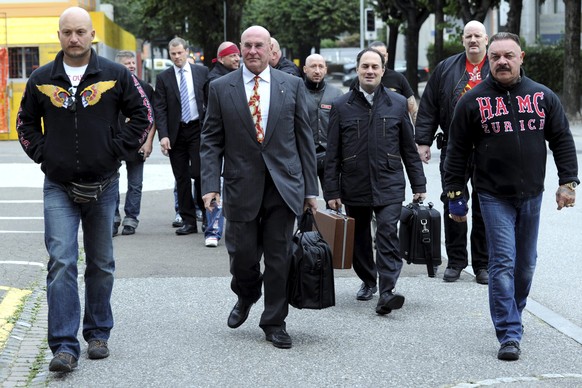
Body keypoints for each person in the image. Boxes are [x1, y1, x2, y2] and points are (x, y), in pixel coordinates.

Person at [16, 6, 153, 373]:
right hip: (58, 186)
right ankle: (64, 346)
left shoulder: (116, 74)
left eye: (80, 32)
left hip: (105, 184)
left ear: (92, 34)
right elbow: (25, 123)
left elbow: (144, 114)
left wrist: (116, 152)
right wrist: (47, 157)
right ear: (58, 35)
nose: (74, 38)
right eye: (67, 32)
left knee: (101, 264)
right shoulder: (41, 77)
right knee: (61, 261)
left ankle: (97, 333)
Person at [444, 32, 578, 361]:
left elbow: (561, 139)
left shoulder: (543, 96)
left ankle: (513, 315)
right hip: (492, 196)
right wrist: (455, 195)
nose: (502, 61)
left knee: (526, 266)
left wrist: (568, 183)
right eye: (495, 57)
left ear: (521, 58)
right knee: (502, 263)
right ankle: (508, 332)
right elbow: (456, 151)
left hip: (532, 194)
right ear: (488, 61)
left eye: (509, 56)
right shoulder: (472, 101)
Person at [201, 25, 318, 349]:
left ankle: (274, 322)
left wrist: (311, 191)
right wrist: (210, 184)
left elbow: (304, 140)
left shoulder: (292, 85)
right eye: (247, 46)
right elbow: (211, 139)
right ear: (240, 49)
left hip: (284, 186)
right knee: (242, 257)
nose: (253, 51)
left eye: (259, 46)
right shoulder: (221, 88)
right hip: (241, 185)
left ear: (270, 50)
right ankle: (247, 292)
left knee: (279, 257)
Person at [324, 48, 427, 315]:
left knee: (387, 233)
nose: (370, 71)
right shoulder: (341, 106)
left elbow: (408, 147)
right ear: (357, 69)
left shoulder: (397, 103)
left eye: (375, 67)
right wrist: (331, 190)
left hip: (389, 181)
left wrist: (419, 185)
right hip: (354, 182)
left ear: (383, 70)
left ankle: (387, 290)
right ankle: (369, 280)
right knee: (359, 238)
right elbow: (332, 153)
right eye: (365, 66)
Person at [415, 20, 490, 284]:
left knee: (485, 207)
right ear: (462, 39)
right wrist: (422, 140)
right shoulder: (446, 68)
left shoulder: (499, 65)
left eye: (477, 36)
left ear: (486, 39)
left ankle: (483, 264)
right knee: (454, 202)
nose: (473, 40)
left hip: (489, 150)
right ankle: (456, 262)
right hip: (453, 147)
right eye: (468, 36)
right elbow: (429, 106)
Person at [153, 37, 208, 235]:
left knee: (200, 174)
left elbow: (209, 101)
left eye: (179, 53)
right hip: (176, 133)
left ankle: (207, 216)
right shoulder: (164, 78)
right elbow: (159, 108)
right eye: (173, 54)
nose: (177, 57)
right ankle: (189, 221)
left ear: (187, 52)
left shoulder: (202, 72)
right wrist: (163, 136)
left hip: (197, 130)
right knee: (182, 178)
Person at [113, 50, 156, 236]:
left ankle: (131, 219)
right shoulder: (110, 87)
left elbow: (152, 118)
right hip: (114, 143)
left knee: (135, 183)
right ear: (118, 66)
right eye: (127, 64)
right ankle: (113, 218)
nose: (131, 66)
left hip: (138, 142)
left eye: (132, 63)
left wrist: (148, 142)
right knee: (111, 182)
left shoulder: (145, 87)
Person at [201, 41, 240, 247]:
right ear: (221, 58)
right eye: (232, 55)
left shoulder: (235, 77)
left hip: (233, 140)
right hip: (221, 139)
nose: (237, 59)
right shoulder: (215, 81)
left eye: (237, 55)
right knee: (214, 186)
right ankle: (213, 230)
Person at [302, 53, 343, 198]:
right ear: (305, 69)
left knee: (333, 201)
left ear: (326, 69)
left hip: (329, 157)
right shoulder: (297, 91)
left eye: (321, 66)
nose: (317, 71)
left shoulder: (337, 94)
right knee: (304, 202)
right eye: (313, 66)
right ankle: (304, 222)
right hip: (304, 156)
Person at [351, 41, 418, 123]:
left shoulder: (398, 78)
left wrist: (419, 134)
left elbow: (413, 108)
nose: (379, 58)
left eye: (382, 55)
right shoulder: (357, 81)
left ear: (387, 56)